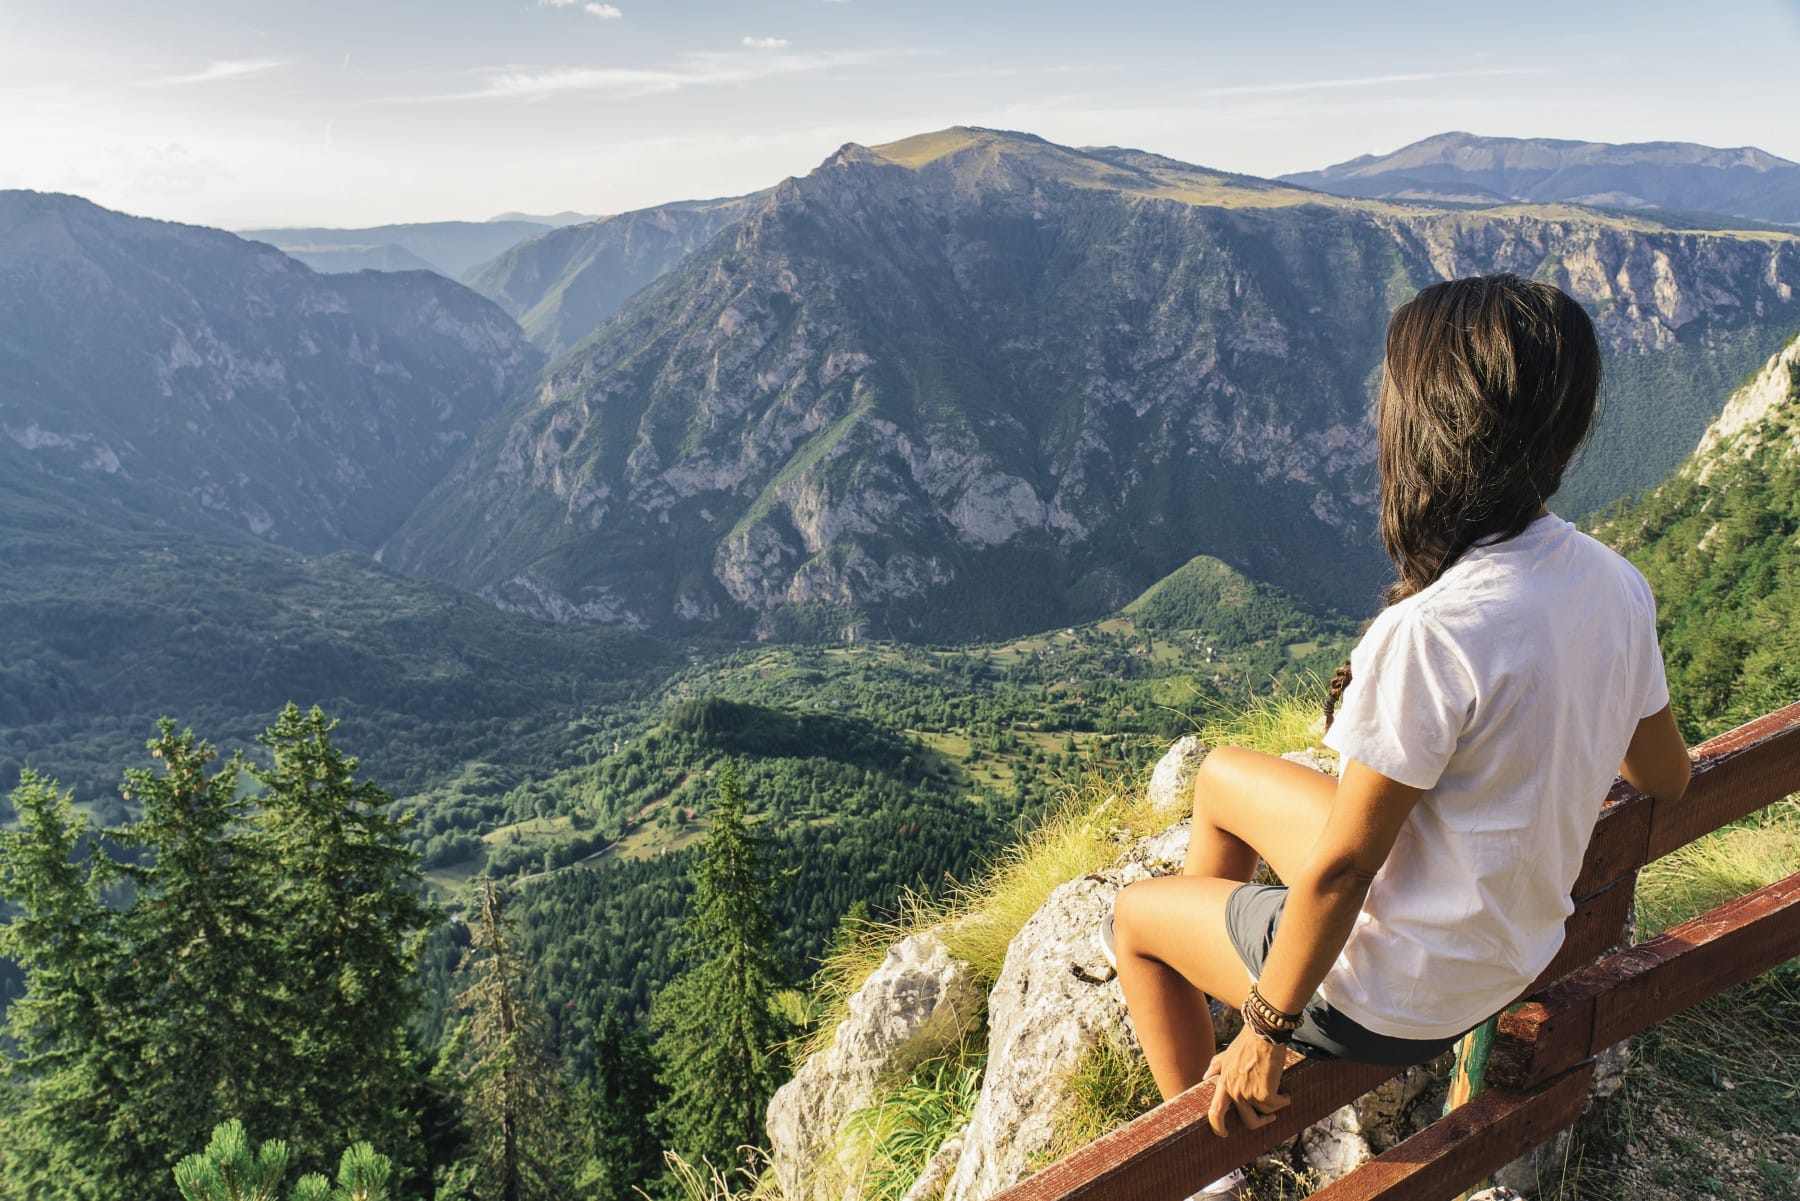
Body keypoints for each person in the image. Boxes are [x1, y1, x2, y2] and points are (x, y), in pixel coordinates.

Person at [1106, 273, 1693, 1199]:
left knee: (1137, 918)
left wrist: (1264, 1030)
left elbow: (1344, 871)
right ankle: (1232, 947)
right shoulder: (1614, 584)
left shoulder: (1431, 632)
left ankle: (1209, 1162)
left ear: (1429, 429)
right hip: (1512, 941)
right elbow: (1666, 775)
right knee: (1220, 774)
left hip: (1402, 987)